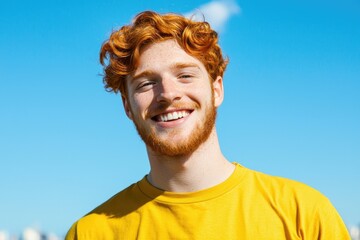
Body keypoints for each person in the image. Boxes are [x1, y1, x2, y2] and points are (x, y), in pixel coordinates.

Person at [65, 11, 350, 239]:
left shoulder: (304, 216)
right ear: (128, 106)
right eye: (146, 83)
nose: (167, 94)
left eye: (185, 75)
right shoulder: (92, 233)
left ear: (217, 90)